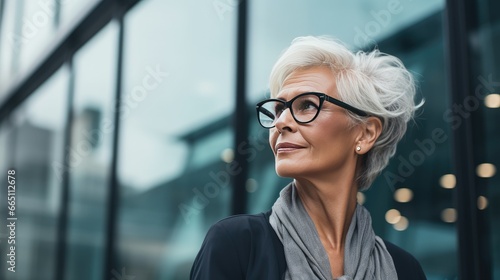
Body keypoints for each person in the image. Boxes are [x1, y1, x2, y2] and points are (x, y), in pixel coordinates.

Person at [190, 36, 426, 280]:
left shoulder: (404, 270)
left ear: (365, 134)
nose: (280, 122)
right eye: (279, 109)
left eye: (307, 105)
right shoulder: (236, 245)